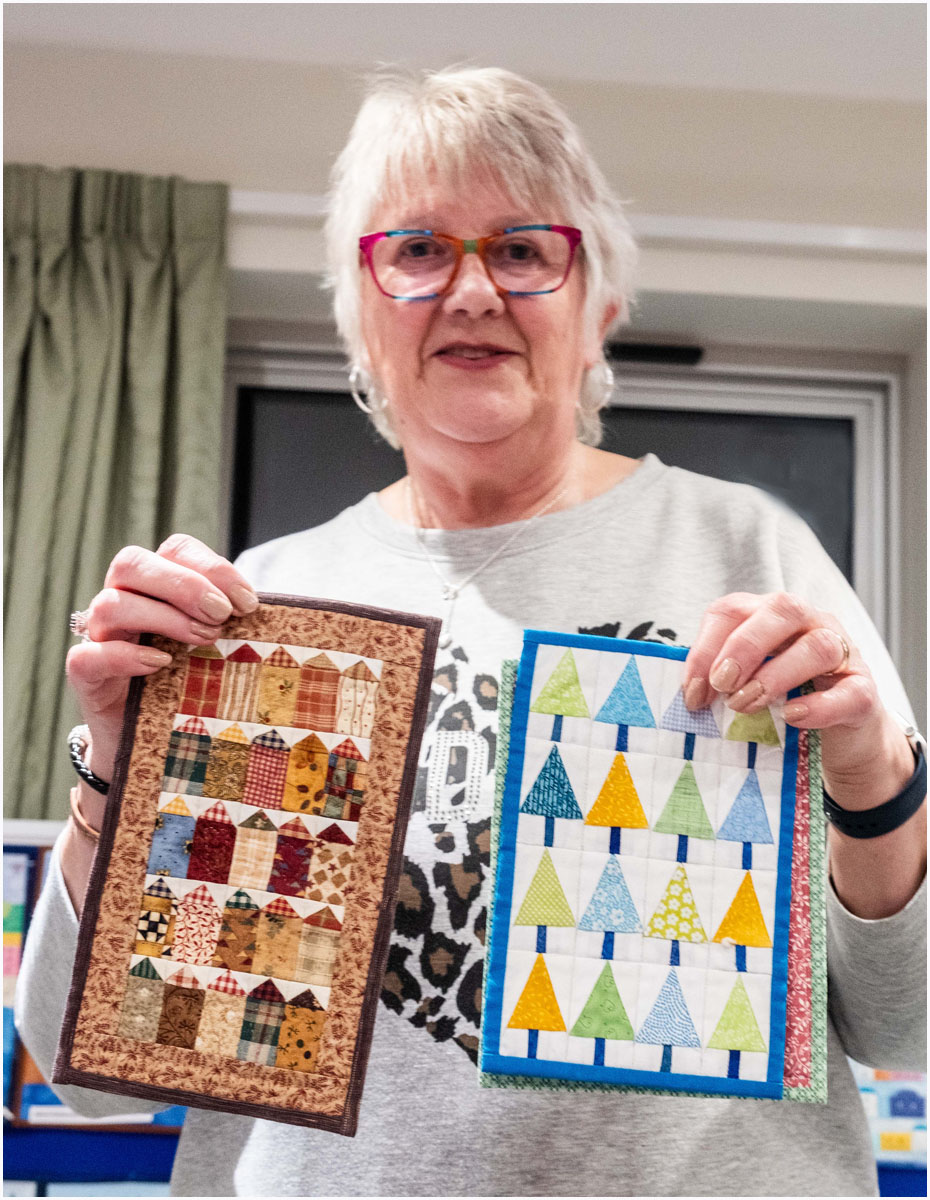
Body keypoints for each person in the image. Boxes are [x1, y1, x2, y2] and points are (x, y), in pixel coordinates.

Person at [17, 66, 925, 1197]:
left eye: (522, 249)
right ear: (359, 312)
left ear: (599, 307)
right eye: (418, 249)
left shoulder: (752, 556)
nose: (473, 289)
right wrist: (116, 761)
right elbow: (88, 1074)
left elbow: (912, 1025)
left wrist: (873, 773)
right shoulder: (254, 612)